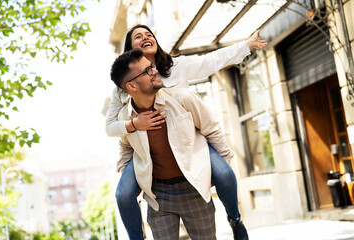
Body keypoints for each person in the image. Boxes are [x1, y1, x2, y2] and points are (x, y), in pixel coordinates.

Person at [106, 24, 267, 240]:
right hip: (150, 153)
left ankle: (235, 219)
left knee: (225, 174)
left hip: (189, 140)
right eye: (138, 36)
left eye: (149, 34)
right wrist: (135, 124)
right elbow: (114, 131)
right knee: (123, 194)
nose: (146, 37)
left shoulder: (175, 68)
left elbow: (211, 61)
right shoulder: (123, 91)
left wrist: (246, 45)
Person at [111, 48, 237, 239]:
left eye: (151, 66)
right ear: (132, 87)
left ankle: (236, 220)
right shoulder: (126, 118)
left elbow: (212, 131)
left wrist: (220, 172)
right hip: (159, 197)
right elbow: (126, 147)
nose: (154, 71)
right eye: (147, 71)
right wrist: (132, 178)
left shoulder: (183, 98)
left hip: (193, 189)